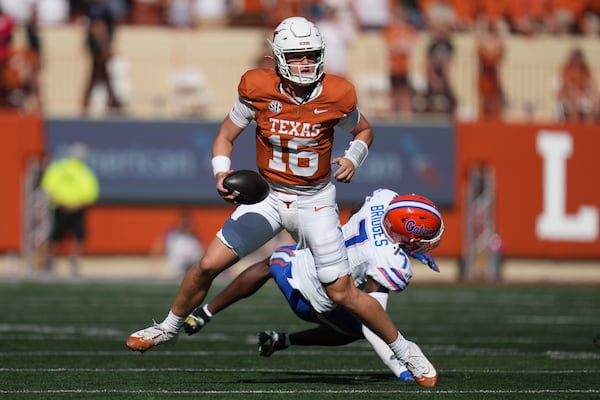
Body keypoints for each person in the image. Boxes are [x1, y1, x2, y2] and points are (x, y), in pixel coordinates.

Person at [126, 16, 438, 387]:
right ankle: (168, 327)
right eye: (296, 56)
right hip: (270, 196)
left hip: (315, 200)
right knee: (208, 264)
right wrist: (221, 173)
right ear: (278, 57)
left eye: (311, 55)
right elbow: (225, 136)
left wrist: (354, 156)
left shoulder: (337, 93)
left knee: (342, 292)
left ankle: (406, 350)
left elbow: (364, 130)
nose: (305, 63)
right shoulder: (256, 87)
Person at [182, 189, 444, 384]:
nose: (428, 242)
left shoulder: (383, 200)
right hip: (313, 296)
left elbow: (355, 211)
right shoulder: (389, 262)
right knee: (361, 323)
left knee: (273, 262)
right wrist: (400, 367)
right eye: (424, 238)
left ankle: (213, 315)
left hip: (309, 263)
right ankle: (213, 315)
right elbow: (373, 320)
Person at [40, 142, 100, 275]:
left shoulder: (61, 168)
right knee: (58, 235)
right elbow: (91, 194)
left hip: (69, 207)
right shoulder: (83, 172)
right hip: (64, 207)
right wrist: (67, 204)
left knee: (71, 235)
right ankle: (51, 260)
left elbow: (90, 194)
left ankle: (67, 261)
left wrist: (67, 204)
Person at [81, 0, 122, 114]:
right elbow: (98, 27)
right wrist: (104, 45)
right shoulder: (94, 9)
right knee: (98, 75)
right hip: (97, 48)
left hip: (101, 47)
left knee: (102, 75)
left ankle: (111, 100)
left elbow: (108, 28)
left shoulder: (106, 10)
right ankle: (111, 100)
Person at [151, 209, 204, 275]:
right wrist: (155, 263)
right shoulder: (171, 235)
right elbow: (158, 247)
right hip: (174, 268)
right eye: (183, 223)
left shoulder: (195, 238)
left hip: (191, 267)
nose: (185, 226)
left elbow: (202, 252)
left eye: (187, 224)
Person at [557, 48, 600, 123]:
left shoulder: (585, 70)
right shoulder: (566, 70)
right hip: (569, 95)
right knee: (574, 95)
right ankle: (574, 123)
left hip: (583, 95)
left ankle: (591, 123)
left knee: (596, 98)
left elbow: (592, 85)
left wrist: (588, 93)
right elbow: (562, 89)